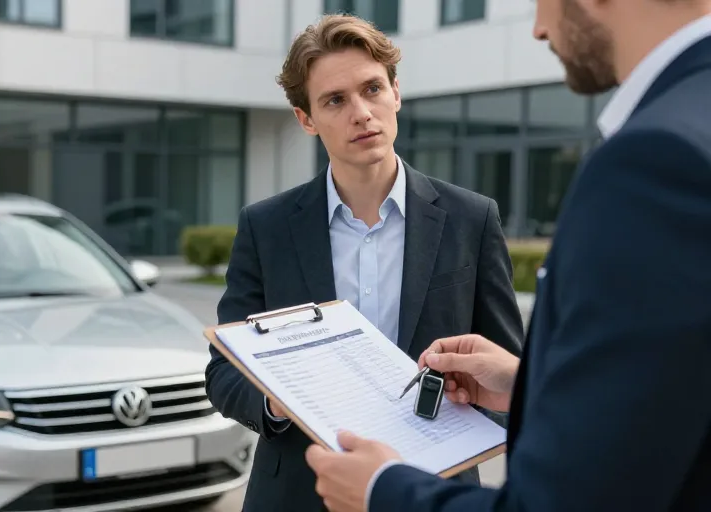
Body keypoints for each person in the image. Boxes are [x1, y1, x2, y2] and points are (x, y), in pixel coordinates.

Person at [305, 0, 711, 510]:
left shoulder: (656, 158)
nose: (538, 28)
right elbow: (671, 386)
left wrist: (381, 490)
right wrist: (527, 384)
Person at [203, 14, 525, 512]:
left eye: (372, 89)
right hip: (298, 494)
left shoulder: (472, 218)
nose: (361, 113)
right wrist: (276, 400)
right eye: (335, 100)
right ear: (306, 119)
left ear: (396, 93)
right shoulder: (266, 227)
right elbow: (223, 373)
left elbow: (506, 371)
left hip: (432, 491)